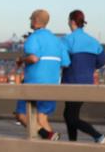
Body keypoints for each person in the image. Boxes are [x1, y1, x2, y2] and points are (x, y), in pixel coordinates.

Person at [15, 10, 69, 140]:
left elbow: (33, 58)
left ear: (35, 20)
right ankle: (52, 147)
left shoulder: (33, 38)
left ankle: (46, 135)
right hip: (52, 85)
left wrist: (21, 59)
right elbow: (66, 63)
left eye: (30, 19)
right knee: (42, 117)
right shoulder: (57, 41)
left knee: (21, 115)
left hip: (33, 84)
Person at [61, 10, 105, 143]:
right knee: (70, 113)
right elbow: (102, 61)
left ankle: (98, 136)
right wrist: (89, 68)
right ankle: (73, 142)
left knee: (71, 116)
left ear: (72, 22)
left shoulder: (67, 40)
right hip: (87, 81)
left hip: (71, 82)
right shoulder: (93, 41)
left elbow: (64, 62)